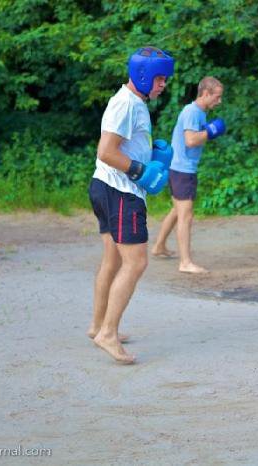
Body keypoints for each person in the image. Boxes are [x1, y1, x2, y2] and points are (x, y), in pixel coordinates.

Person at [87, 46, 174, 364]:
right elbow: (106, 150)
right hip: (121, 192)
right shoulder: (126, 104)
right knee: (135, 263)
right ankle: (108, 334)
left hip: (106, 187)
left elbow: (122, 148)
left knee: (112, 260)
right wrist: (140, 170)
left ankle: (98, 326)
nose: (163, 84)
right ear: (143, 74)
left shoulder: (132, 102)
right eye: (160, 78)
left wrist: (151, 158)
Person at [151, 77, 226, 274]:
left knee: (177, 211)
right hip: (182, 169)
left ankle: (159, 246)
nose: (219, 101)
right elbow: (191, 140)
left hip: (180, 167)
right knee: (186, 215)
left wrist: (208, 131)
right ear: (206, 93)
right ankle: (185, 263)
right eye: (217, 97)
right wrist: (211, 131)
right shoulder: (192, 112)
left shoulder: (199, 112)